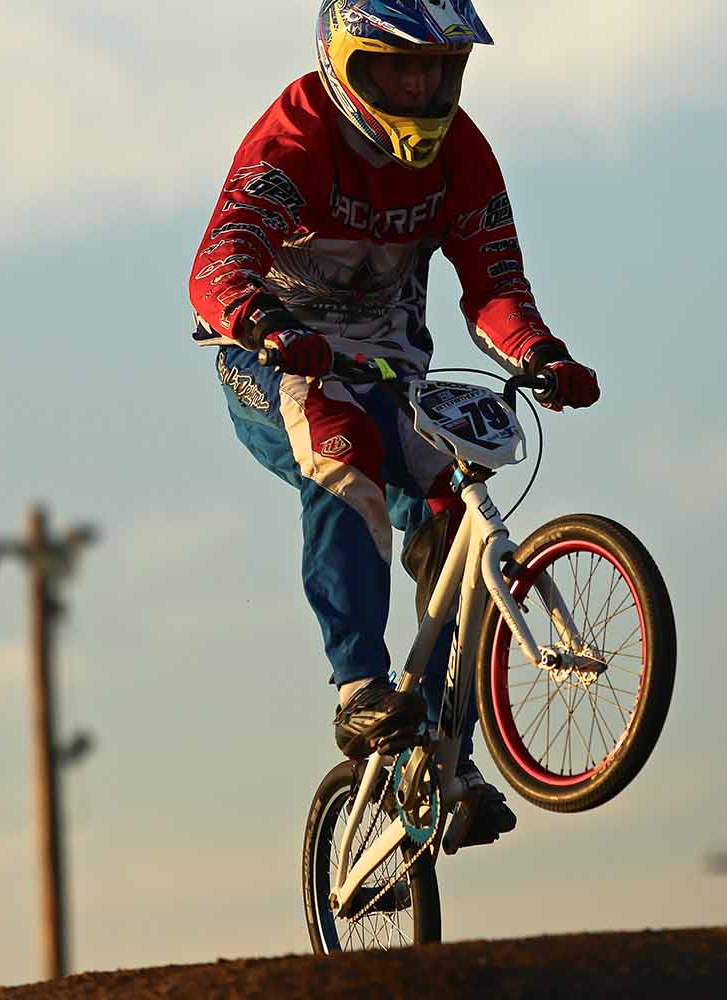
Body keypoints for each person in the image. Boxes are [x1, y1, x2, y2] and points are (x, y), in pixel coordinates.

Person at [186, 0, 599, 847]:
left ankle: (448, 753)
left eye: (437, 69)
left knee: (464, 505)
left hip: (391, 367)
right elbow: (216, 263)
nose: (418, 86)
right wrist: (265, 324)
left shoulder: (465, 154)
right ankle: (359, 688)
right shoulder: (294, 138)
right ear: (347, 63)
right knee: (347, 450)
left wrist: (540, 353)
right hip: (274, 362)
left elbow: (495, 286)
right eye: (397, 66)